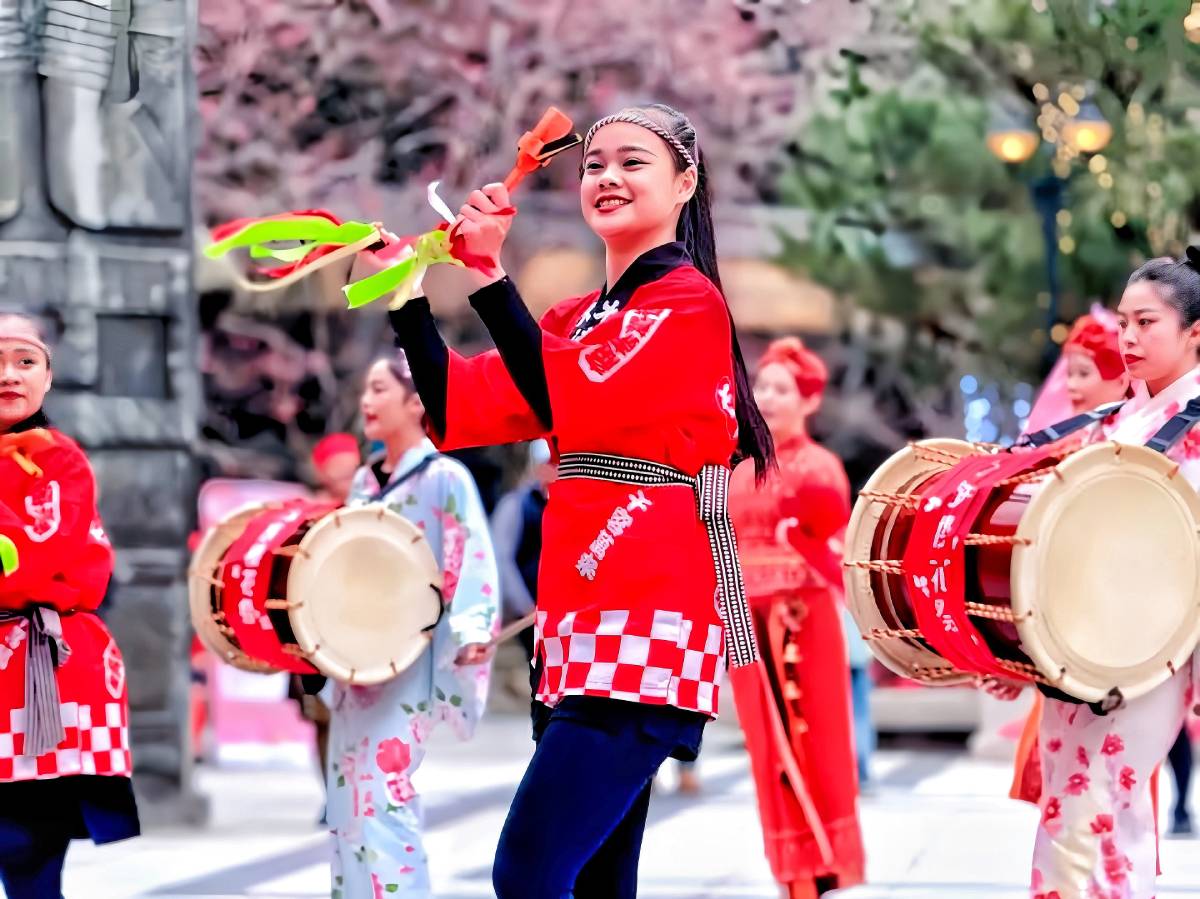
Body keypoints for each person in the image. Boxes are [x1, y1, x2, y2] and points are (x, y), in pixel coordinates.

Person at [376, 103, 773, 897]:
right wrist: (406, 295)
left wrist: (489, 275)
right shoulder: (575, 318)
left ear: (685, 182)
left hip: (648, 614)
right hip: (581, 620)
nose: (608, 177)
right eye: (594, 164)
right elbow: (459, 407)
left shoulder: (687, 304)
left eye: (634, 162)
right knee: (592, 879)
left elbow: (570, 392)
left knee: (528, 869)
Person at [996, 248, 1200, 898]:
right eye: (1124, 323)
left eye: (1147, 323)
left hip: (1152, 647)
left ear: (1196, 333)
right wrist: (1019, 651)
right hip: (1085, 641)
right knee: (1067, 805)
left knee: (1105, 806)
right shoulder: (1119, 421)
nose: (1130, 338)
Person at [323, 354, 499, 898]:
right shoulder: (363, 482)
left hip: (406, 659)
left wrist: (471, 630)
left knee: (383, 795)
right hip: (355, 657)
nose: (367, 402)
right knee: (347, 801)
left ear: (415, 401)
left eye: (379, 389)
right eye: (366, 390)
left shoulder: (443, 477)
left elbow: (470, 552)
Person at [0, 312, 139, 897]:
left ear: (48, 378)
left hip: (41, 673)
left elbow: (37, 557)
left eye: (25, 361)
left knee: (27, 851)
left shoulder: (59, 460)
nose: (9, 374)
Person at [728, 337, 865, 898]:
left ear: (808, 400)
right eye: (761, 386)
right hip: (744, 624)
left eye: (781, 389)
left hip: (803, 623)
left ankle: (823, 867)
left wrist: (801, 549)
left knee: (815, 745)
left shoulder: (820, 470)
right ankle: (790, 872)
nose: (767, 397)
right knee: (766, 751)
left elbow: (841, 564)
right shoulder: (735, 472)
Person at [1009, 312, 1133, 806]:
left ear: (1121, 375)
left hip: (1113, 636)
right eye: (1070, 371)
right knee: (1064, 802)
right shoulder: (1068, 445)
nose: (1071, 384)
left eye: (1084, 372)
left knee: (1107, 803)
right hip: (1062, 632)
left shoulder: (1133, 446)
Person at [490, 439, 555, 666]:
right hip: (529, 614)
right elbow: (503, 560)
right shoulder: (517, 504)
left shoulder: (569, 507)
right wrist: (525, 604)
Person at [310, 432, 361, 504]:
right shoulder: (313, 511)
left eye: (354, 472)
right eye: (343, 474)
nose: (353, 482)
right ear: (321, 475)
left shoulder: (369, 501)